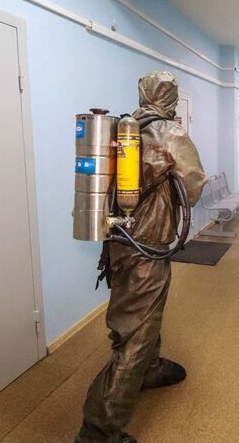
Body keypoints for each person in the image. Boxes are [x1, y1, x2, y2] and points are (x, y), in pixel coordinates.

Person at [76, 71, 206, 443]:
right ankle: (98, 431)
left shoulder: (124, 128)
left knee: (138, 318)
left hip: (119, 243)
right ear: (171, 98)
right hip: (147, 246)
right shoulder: (170, 134)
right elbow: (193, 186)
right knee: (134, 336)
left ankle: (149, 369)